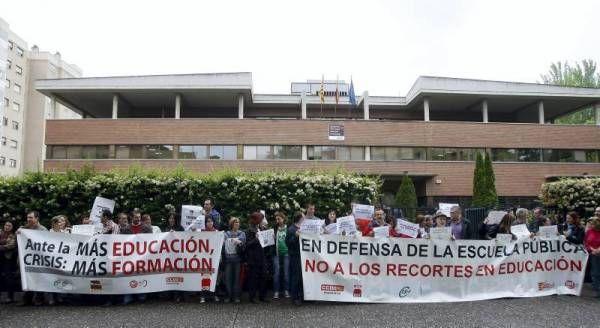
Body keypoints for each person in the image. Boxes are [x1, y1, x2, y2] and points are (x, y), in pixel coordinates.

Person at [18, 211, 47, 306]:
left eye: (30, 217)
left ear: (37, 218)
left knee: (39, 278)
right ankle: (27, 298)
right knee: (26, 278)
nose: (28, 219)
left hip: (38, 259)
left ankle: (39, 298)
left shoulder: (43, 230)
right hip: (26, 260)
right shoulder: (23, 229)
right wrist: (18, 233)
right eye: (27, 217)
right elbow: (17, 241)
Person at [245, 211, 269, 303]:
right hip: (253, 258)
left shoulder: (262, 229)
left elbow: (265, 243)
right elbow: (247, 245)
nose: (262, 221)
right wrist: (256, 239)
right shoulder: (249, 231)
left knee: (263, 276)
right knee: (253, 278)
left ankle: (263, 296)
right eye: (261, 219)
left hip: (262, 257)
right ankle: (252, 297)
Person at [223, 217, 246, 303]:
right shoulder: (227, 233)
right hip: (228, 259)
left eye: (238, 222)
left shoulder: (242, 233)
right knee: (228, 278)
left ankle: (236, 296)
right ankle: (228, 296)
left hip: (237, 259)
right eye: (235, 222)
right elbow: (224, 242)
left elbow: (243, 241)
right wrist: (236, 241)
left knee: (237, 279)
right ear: (231, 224)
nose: (237, 224)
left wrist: (232, 241)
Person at [200, 216, 219, 303]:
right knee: (204, 277)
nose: (209, 223)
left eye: (211, 221)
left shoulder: (217, 232)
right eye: (207, 222)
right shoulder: (201, 232)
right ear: (205, 223)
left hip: (213, 259)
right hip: (204, 258)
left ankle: (214, 295)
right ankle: (203, 295)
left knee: (214, 277)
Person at [286, 211, 304, 306]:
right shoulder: (291, 229)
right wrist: (295, 236)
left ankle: (302, 296)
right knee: (296, 277)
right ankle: (295, 297)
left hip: (303, 256)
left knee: (302, 277)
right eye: (303, 217)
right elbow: (288, 243)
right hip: (295, 256)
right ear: (300, 218)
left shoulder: (303, 228)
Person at [272, 211, 290, 299]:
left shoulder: (288, 228)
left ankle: (286, 290)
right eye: (276, 219)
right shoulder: (275, 229)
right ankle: (276, 291)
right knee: (277, 272)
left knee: (286, 273)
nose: (277, 221)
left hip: (286, 253)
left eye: (279, 219)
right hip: (277, 253)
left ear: (283, 219)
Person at [0, 219, 17, 303]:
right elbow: (6, 244)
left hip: (8, 258)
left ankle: (10, 296)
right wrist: (4, 242)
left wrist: (1, 246)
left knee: (9, 277)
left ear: (12, 227)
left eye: (9, 226)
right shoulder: (0, 232)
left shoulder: (13, 235)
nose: (7, 227)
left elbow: (11, 245)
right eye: (6, 225)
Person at [585, 217, 600, 298]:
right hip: (593, 254)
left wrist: (599, 249)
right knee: (595, 272)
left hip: (598, 252)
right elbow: (586, 242)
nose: (591, 225)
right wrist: (592, 249)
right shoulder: (589, 232)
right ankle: (597, 290)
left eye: (593, 224)